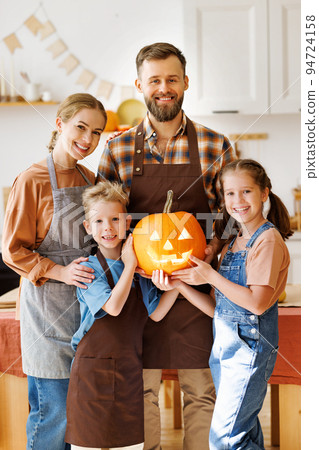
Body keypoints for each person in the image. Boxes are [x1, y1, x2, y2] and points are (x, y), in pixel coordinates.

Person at [97, 42, 236, 450]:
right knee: (142, 393)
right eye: (154, 79)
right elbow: (106, 221)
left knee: (202, 393)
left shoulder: (215, 145)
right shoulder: (118, 148)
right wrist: (127, 263)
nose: (164, 87)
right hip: (141, 288)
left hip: (195, 287)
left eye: (171, 79)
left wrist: (210, 252)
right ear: (140, 84)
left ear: (185, 83)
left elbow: (229, 219)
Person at [162, 159, 293, 449]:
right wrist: (181, 285)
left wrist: (208, 274)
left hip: (249, 351)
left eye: (246, 191)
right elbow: (218, 308)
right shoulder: (234, 240)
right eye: (230, 193)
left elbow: (257, 305)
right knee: (242, 433)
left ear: (264, 193)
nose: (237, 201)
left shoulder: (266, 241)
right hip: (224, 350)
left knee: (225, 439)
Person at [2, 93, 107, 450]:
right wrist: (60, 272)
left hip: (86, 308)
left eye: (96, 132)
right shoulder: (31, 180)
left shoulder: (93, 180)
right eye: (81, 127)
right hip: (46, 308)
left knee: (79, 412)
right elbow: (12, 250)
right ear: (60, 123)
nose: (88, 139)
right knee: (53, 413)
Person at [65, 180, 179, 450]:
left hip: (128, 375)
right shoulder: (88, 270)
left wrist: (176, 283)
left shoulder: (144, 268)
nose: (108, 227)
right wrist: (130, 265)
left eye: (115, 219)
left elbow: (158, 314)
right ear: (87, 227)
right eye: (99, 221)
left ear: (127, 222)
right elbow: (113, 307)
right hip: (90, 378)